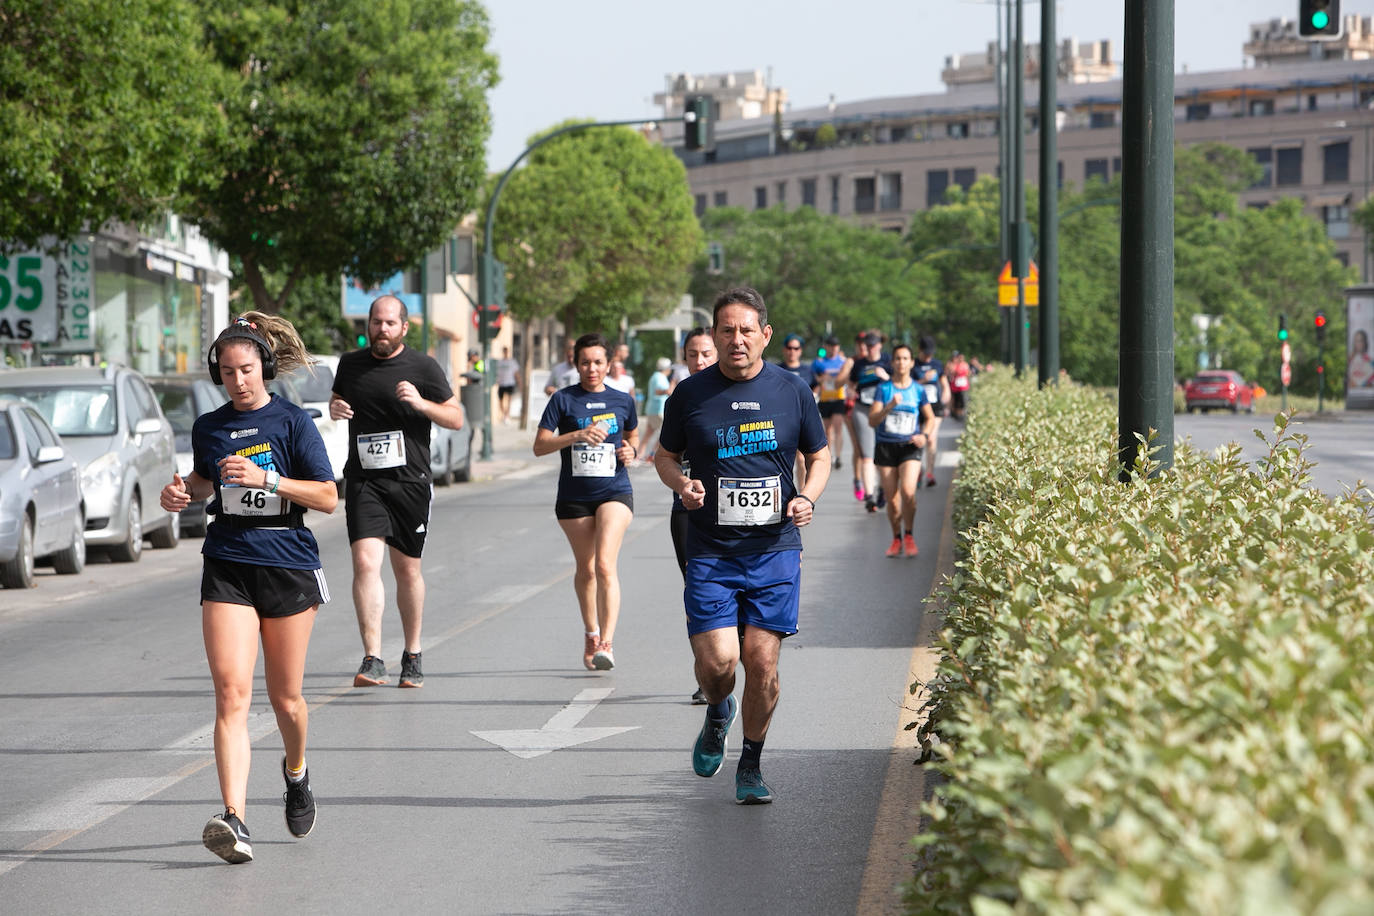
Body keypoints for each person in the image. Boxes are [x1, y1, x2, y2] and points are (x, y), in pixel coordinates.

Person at [159, 313, 337, 864]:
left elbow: (328, 497)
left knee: (286, 699)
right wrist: (181, 493)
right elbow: (205, 479)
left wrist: (270, 480)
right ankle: (234, 818)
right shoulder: (210, 427)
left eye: (248, 369)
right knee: (232, 693)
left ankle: (297, 772)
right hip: (228, 562)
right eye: (229, 372)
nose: (239, 380)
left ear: (265, 367)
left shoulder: (293, 424)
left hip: (286, 563)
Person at [654, 287, 830, 805]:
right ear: (713, 335)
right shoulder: (689, 395)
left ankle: (750, 764)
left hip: (775, 547)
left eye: (746, 330)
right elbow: (665, 456)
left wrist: (808, 497)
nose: (736, 340)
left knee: (762, 662)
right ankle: (717, 712)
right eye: (726, 330)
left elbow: (817, 456)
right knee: (718, 666)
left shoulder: (792, 391)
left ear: (765, 335)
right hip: (709, 548)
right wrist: (681, 485)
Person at [330, 295, 466, 689]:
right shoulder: (350, 364)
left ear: (404, 328)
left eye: (390, 323)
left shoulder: (423, 366)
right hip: (364, 480)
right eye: (376, 322)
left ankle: (412, 653)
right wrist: (337, 407)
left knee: (407, 570)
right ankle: (373, 658)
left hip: (410, 481)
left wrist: (422, 403)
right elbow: (338, 399)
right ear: (368, 325)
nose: (382, 329)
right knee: (365, 564)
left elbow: (456, 417)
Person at [534, 332, 639, 670]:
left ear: (609, 364)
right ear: (575, 364)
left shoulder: (623, 400)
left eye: (598, 362)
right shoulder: (563, 401)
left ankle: (606, 643)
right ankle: (591, 632)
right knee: (586, 569)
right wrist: (577, 435)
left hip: (614, 491)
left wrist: (630, 450)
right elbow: (540, 446)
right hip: (574, 497)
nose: (591, 368)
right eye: (585, 362)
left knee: (605, 564)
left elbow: (632, 436)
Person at [665, 328, 718, 704]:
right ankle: (706, 671)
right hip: (688, 507)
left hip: (737, 512)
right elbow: (664, 454)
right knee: (696, 591)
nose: (698, 362)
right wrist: (683, 483)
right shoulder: (680, 399)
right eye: (692, 355)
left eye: (705, 354)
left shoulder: (741, 394)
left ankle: (730, 655)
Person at [868, 343, 935, 558]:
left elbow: (931, 418)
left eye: (905, 358)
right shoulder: (883, 389)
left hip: (909, 447)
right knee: (892, 499)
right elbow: (872, 420)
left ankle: (909, 534)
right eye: (897, 358)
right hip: (886, 446)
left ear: (911, 362)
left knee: (908, 491)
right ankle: (896, 537)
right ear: (892, 363)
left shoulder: (918, 390)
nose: (901, 362)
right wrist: (888, 406)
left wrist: (924, 436)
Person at [849, 331, 891, 512]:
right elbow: (850, 384)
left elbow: (897, 384)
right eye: (868, 345)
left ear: (880, 345)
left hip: (882, 411)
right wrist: (851, 392)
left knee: (881, 454)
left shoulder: (888, 361)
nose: (870, 348)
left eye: (873, 345)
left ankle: (882, 489)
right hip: (862, 410)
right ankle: (869, 495)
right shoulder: (859, 364)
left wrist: (886, 377)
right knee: (867, 455)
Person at [810, 336, 852, 475]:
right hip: (825, 398)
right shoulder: (819, 362)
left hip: (839, 397)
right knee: (827, 430)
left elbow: (848, 377)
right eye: (830, 346)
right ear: (826, 347)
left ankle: (838, 456)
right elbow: (814, 379)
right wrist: (823, 378)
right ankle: (829, 456)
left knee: (838, 426)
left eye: (836, 346)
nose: (833, 348)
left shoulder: (843, 362)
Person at [913, 337, 949, 488]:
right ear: (919, 350)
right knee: (920, 439)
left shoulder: (937, 364)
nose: (928, 356)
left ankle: (930, 473)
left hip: (935, 406)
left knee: (931, 438)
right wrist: (922, 380)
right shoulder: (913, 365)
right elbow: (907, 385)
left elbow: (945, 385)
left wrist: (945, 400)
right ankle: (918, 470)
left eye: (930, 353)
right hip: (918, 406)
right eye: (925, 353)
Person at [778, 333, 812, 487]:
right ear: (784, 349)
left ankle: (802, 490)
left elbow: (816, 386)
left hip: (802, 418)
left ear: (800, 350)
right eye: (789, 347)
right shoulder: (777, 370)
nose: (792, 351)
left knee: (801, 457)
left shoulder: (807, 370)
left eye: (796, 348)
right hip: (782, 418)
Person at [641, 357, 673, 460]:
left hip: (652, 409)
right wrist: (669, 391)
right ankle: (652, 454)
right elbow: (658, 391)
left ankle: (639, 454)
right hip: (658, 410)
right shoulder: (660, 377)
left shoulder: (655, 376)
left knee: (648, 433)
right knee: (665, 433)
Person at [495, 346, 521, 423]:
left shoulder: (512, 362)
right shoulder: (499, 362)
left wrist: (520, 383)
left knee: (509, 400)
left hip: (510, 383)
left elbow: (516, 374)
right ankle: (504, 414)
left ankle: (507, 416)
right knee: (500, 401)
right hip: (501, 384)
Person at [946, 350, 972, 420]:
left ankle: (961, 414)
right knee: (956, 401)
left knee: (963, 401)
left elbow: (968, 373)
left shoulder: (965, 364)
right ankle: (956, 413)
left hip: (963, 386)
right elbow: (951, 371)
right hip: (955, 386)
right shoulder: (954, 364)